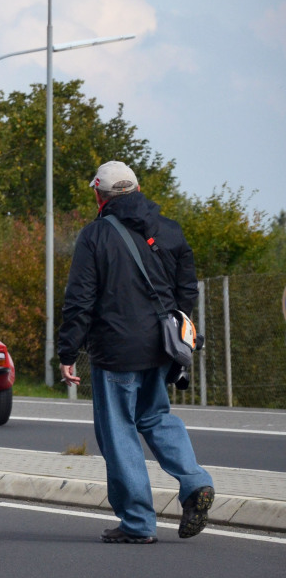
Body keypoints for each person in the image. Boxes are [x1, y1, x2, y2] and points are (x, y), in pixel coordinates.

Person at [58, 160, 214, 544]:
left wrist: (67, 351)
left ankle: (138, 523)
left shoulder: (95, 236)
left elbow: (80, 299)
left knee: (118, 431)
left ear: (100, 195)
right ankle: (196, 482)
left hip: (115, 351)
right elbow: (187, 290)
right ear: (137, 189)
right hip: (161, 347)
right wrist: (176, 330)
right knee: (157, 417)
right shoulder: (170, 229)